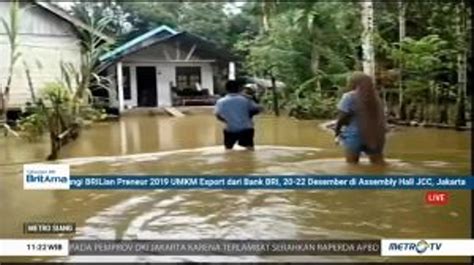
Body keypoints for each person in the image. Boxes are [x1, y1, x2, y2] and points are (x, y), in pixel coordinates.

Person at [334, 72, 386, 165]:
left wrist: (337, 132)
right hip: (375, 136)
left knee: (351, 166)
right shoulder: (376, 98)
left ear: (353, 83)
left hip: (354, 136)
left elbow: (342, 117)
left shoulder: (349, 96)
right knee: (378, 165)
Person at [215, 80, 263, 150]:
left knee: (228, 151)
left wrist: (227, 121)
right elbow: (259, 109)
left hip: (230, 129)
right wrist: (250, 115)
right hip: (246, 129)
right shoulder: (245, 100)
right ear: (238, 88)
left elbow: (218, 115)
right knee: (249, 150)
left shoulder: (221, 102)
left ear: (226, 89)